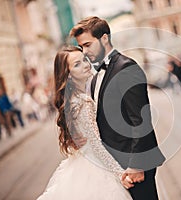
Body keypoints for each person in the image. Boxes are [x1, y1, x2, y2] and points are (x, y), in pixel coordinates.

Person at [69, 16, 165, 200]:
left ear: (104, 38)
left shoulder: (126, 67)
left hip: (134, 165)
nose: (84, 51)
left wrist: (137, 165)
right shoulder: (96, 77)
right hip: (115, 166)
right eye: (81, 47)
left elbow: (141, 120)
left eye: (88, 45)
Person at [37, 46, 132, 200]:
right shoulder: (82, 101)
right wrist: (120, 173)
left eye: (84, 60)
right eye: (77, 64)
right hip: (95, 169)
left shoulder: (72, 100)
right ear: (68, 75)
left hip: (80, 165)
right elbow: (95, 144)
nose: (86, 65)